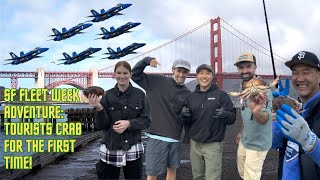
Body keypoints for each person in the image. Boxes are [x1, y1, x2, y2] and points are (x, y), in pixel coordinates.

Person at [89, 61, 151, 179]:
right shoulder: (106, 95)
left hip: (133, 151)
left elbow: (147, 121)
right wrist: (99, 108)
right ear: (114, 74)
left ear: (130, 74)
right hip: (110, 149)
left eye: (125, 73)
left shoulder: (140, 94)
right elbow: (102, 126)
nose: (122, 76)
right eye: (118, 73)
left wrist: (129, 123)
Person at [131, 57, 191, 180]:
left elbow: (187, 118)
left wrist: (184, 119)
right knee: (152, 174)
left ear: (188, 74)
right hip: (155, 136)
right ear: (173, 70)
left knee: (172, 171)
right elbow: (135, 74)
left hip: (175, 138)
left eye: (185, 72)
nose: (181, 74)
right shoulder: (156, 81)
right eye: (179, 70)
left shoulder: (188, 93)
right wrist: (147, 61)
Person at [180, 64, 236, 180]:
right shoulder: (190, 97)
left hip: (213, 144)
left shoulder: (221, 95)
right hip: (195, 144)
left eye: (208, 73)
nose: (204, 76)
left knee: (213, 177)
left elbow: (232, 118)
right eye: (201, 73)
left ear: (212, 76)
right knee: (198, 176)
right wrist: (183, 116)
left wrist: (225, 114)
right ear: (196, 76)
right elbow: (188, 121)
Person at [272, 51, 320, 180]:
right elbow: (273, 142)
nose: (299, 78)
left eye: (306, 72)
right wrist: (279, 109)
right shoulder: (297, 109)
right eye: (295, 73)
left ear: (319, 75)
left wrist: (310, 142)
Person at [234, 53, 273, 180]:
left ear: (255, 67)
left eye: (248, 66)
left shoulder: (264, 89)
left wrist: (256, 112)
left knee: (251, 177)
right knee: (242, 171)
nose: (244, 71)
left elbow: (266, 118)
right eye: (241, 68)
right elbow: (245, 113)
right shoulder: (243, 87)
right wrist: (240, 132)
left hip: (258, 143)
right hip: (245, 139)